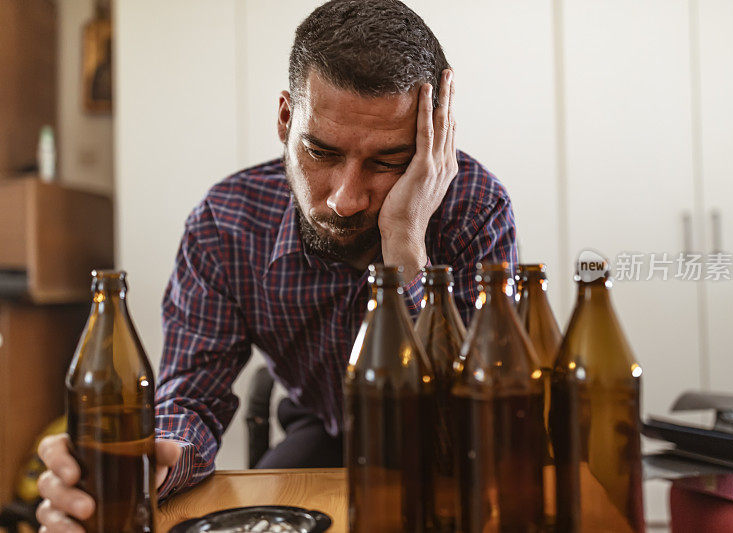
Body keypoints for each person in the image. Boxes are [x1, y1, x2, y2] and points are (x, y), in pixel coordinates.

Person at [35, 0, 517, 529]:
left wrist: (405, 243)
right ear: (286, 119)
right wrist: (156, 457)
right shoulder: (227, 222)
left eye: (388, 163)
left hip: (437, 447)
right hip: (323, 424)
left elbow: (476, 417)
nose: (345, 199)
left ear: (434, 143)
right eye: (322, 152)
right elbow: (190, 395)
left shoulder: (475, 206)